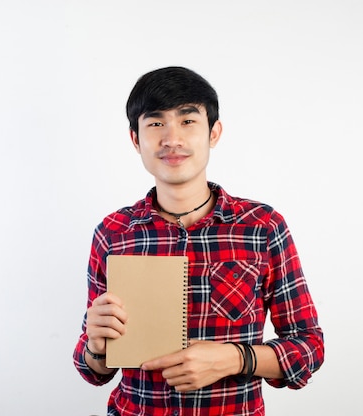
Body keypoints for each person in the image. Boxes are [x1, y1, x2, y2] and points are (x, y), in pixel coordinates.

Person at [73, 66, 324, 415]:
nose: (171, 138)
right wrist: (96, 347)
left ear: (214, 132)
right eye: (156, 123)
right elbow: (93, 370)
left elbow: (308, 348)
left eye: (188, 121)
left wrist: (236, 359)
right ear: (136, 139)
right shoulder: (113, 232)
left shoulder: (263, 227)